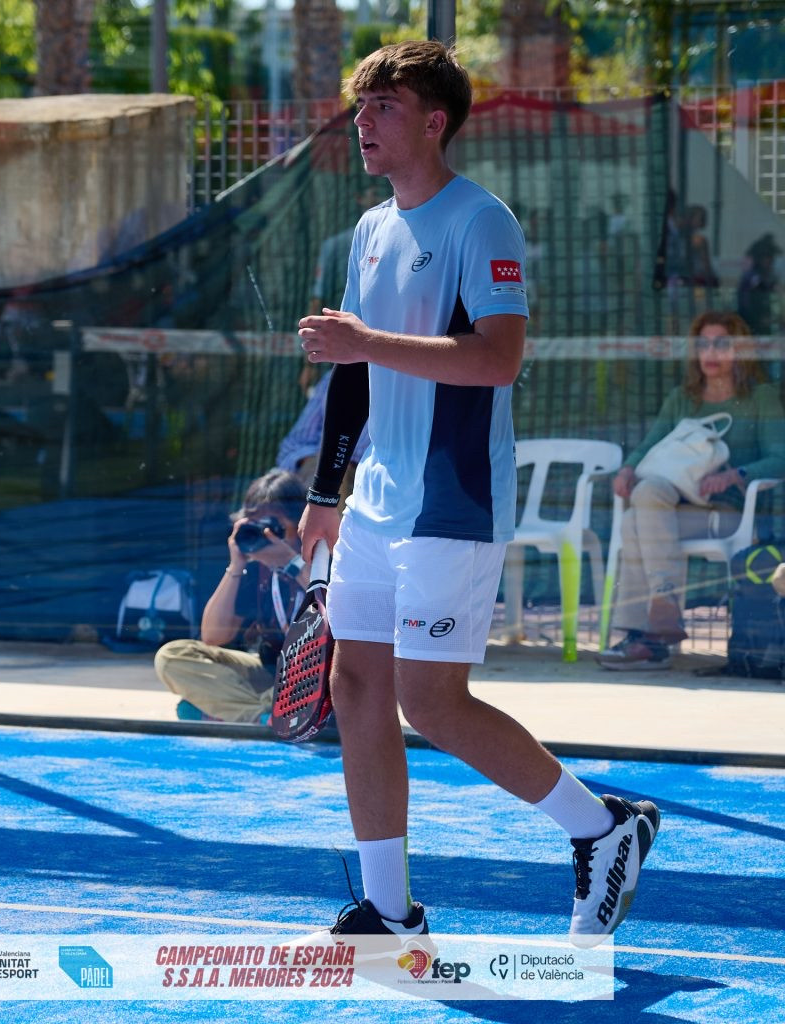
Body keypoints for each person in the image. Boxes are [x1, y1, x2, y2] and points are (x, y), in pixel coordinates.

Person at [295, 39, 661, 946]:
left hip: (451, 500)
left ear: (435, 121)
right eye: (361, 106)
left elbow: (498, 358)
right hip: (375, 499)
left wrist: (363, 343)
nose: (364, 121)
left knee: (431, 701)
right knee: (357, 686)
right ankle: (389, 912)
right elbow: (353, 372)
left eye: (384, 106)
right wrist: (326, 491)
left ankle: (601, 827)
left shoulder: (482, 221)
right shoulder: (372, 229)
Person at [599, 310, 785, 670]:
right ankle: (659, 623)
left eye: (722, 344)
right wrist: (627, 469)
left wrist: (736, 475)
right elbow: (648, 447)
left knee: (634, 522)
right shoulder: (683, 398)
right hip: (672, 508)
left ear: (741, 350)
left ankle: (647, 638)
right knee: (645, 496)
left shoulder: (760, 397)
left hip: (727, 514)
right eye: (704, 344)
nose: (711, 352)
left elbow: (781, 458)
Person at [154, 469, 309, 724]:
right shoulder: (257, 568)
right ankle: (262, 717)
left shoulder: (324, 556)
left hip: (311, 672)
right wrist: (236, 565)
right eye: (257, 525)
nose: (266, 534)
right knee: (172, 656)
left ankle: (228, 711)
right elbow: (214, 636)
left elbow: (337, 616)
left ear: (300, 522)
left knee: (190, 708)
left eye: (274, 525)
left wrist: (292, 563)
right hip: (271, 670)